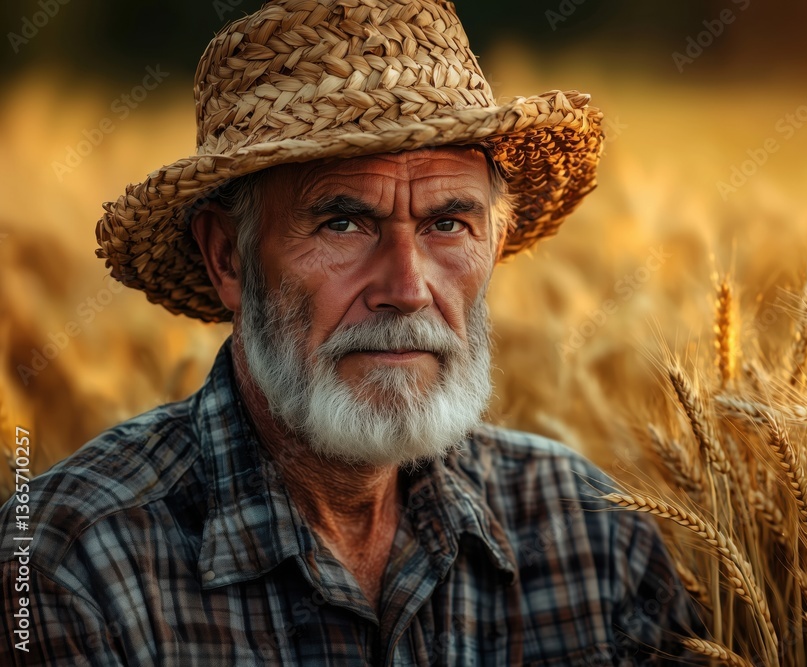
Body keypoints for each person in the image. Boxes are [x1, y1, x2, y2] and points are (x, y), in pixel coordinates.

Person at [0, 1, 702, 663]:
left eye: (448, 223)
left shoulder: (592, 535)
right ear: (227, 258)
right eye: (344, 222)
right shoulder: (67, 564)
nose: (406, 288)